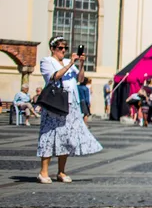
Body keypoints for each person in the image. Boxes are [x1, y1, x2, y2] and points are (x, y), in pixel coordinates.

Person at [37, 36, 103, 183]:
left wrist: (80, 64)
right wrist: (70, 63)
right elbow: (54, 76)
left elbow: (80, 79)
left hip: (71, 104)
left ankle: (61, 171)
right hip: (54, 103)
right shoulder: (47, 61)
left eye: (65, 48)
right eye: (60, 48)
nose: (63, 51)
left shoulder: (68, 62)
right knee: (49, 136)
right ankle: (44, 171)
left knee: (66, 137)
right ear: (53, 49)